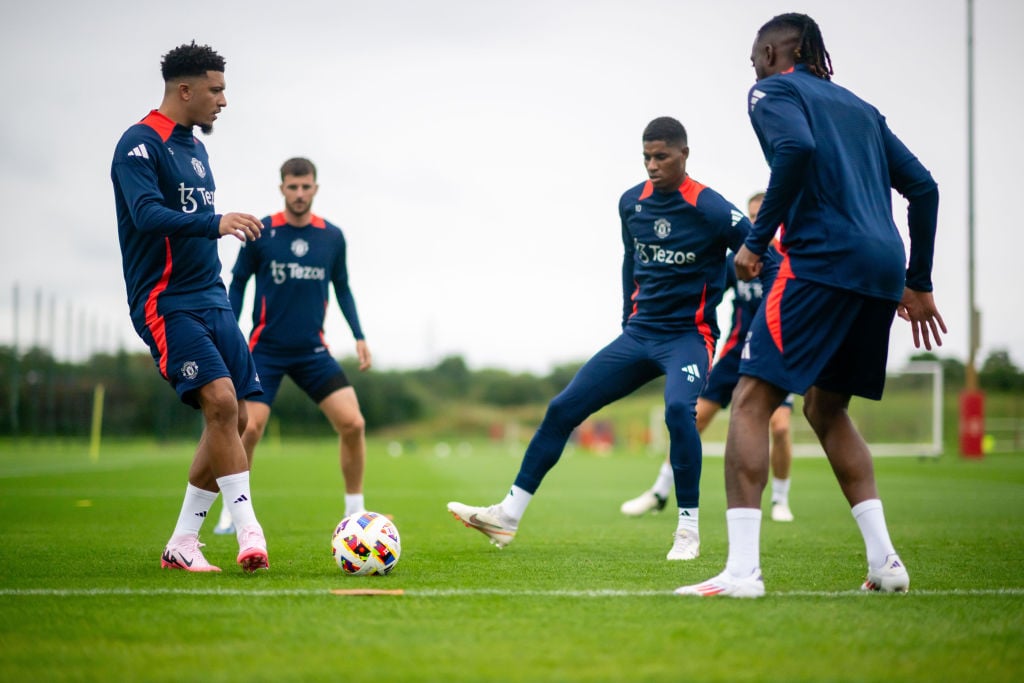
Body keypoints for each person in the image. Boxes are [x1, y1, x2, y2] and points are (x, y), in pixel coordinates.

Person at [676, 13, 945, 598]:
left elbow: (795, 147)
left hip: (820, 261)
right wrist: (917, 280)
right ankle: (886, 563)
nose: (751, 69)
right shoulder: (861, 109)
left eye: (754, 58)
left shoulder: (772, 89)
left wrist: (755, 239)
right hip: (880, 269)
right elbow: (924, 188)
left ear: (774, 52)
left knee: (749, 399)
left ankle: (743, 573)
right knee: (825, 408)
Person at [448, 117, 775, 560]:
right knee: (562, 408)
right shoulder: (631, 204)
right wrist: (627, 318)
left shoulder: (713, 208)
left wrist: (777, 317)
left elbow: (768, 258)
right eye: (646, 157)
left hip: (687, 337)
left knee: (680, 410)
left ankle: (688, 530)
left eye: (661, 157)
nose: (652, 166)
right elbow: (629, 260)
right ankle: (507, 516)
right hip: (639, 335)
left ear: (684, 155)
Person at [111, 42, 269, 573]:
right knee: (220, 404)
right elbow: (147, 214)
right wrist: (216, 221)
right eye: (216, 89)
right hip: (166, 301)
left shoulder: (196, 148)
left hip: (213, 297)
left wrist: (217, 228)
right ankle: (249, 531)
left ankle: (182, 542)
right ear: (186, 90)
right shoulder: (139, 144)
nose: (223, 100)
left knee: (238, 415)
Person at [211, 157, 372, 535]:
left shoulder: (332, 237)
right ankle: (234, 510)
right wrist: (227, 332)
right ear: (282, 188)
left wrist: (359, 335)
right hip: (265, 349)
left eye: (306, 186)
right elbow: (237, 283)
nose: (299, 193)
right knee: (248, 428)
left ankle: (355, 511)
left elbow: (343, 287)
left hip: (313, 352)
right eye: (292, 186)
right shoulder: (261, 232)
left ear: (315, 188)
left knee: (353, 423)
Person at [620, 191, 797, 523]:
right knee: (692, 418)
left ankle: (780, 499)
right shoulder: (739, 261)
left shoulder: (787, 262)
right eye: (752, 216)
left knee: (781, 427)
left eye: (763, 216)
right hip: (733, 354)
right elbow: (709, 294)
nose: (756, 222)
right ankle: (659, 491)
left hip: (772, 351)